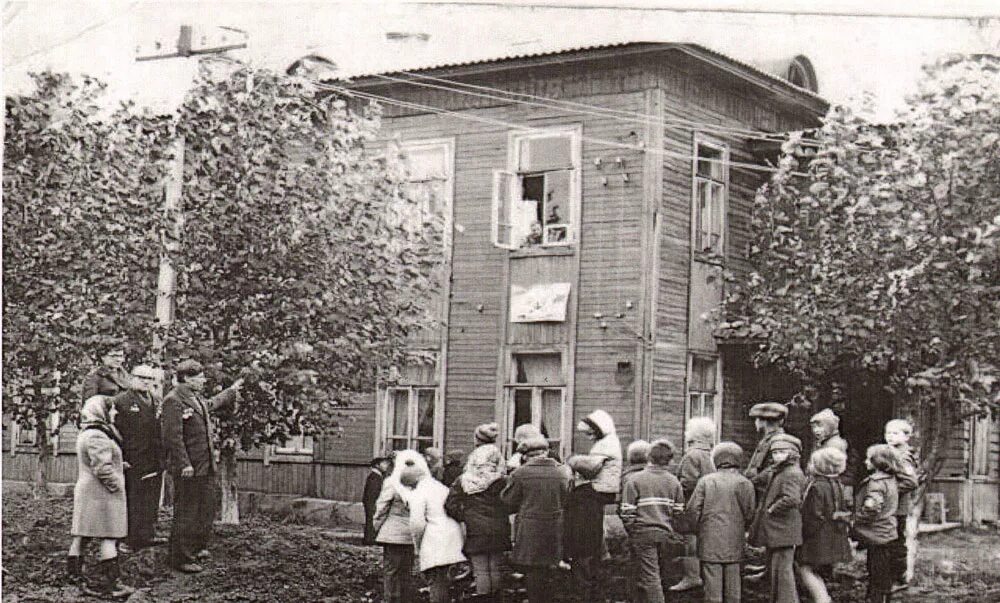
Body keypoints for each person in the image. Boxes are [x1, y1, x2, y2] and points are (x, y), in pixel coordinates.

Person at [162, 359, 243, 573]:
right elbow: (173, 437)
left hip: (205, 466)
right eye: (199, 377)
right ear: (187, 378)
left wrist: (229, 392)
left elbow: (210, 406)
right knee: (187, 511)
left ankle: (196, 548)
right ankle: (180, 557)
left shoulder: (195, 397)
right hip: (189, 468)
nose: (203, 380)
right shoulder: (173, 400)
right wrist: (184, 464)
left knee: (204, 509)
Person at [67, 395, 135, 598]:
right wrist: (117, 484)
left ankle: (74, 575)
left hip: (89, 492)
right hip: (101, 494)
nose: (115, 413)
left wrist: (118, 465)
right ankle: (112, 584)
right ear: (101, 411)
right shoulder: (98, 435)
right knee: (109, 536)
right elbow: (102, 468)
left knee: (83, 534)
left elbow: (95, 462)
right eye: (112, 409)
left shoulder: (87, 432)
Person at [500, 434, 572, 603]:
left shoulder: (520, 473)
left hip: (530, 527)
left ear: (525, 455)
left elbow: (508, 500)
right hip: (554, 525)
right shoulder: (562, 472)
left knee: (532, 569)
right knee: (549, 567)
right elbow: (567, 498)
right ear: (545, 452)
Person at [683, 442, 756, 603]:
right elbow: (750, 512)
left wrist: (697, 529)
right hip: (735, 538)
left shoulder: (706, 481)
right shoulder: (745, 483)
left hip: (709, 537)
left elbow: (693, 510)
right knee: (733, 579)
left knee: (712, 581)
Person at [619, 438, 684, 603]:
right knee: (660, 572)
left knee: (650, 576)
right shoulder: (674, 481)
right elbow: (678, 512)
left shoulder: (635, 480)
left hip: (643, 533)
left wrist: (632, 530)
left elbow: (627, 512)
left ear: (649, 457)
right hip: (665, 533)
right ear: (669, 460)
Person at [110, 365, 165, 553]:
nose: (146, 381)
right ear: (132, 378)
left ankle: (147, 535)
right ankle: (127, 539)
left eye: (150, 379)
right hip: (131, 459)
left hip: (153, 459)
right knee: (132, 499)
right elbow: (114, 433)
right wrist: (120, 457)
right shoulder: (121, 401)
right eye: (142, 377)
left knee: (150, 498)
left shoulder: (157, 401)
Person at [445, 443, 511, 601]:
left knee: (480, 569)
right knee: (495, 567)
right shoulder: (503, 480)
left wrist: (465, 515)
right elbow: (511, 503)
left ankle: (483, 598)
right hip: (499, 527)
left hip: (475, 528)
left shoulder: (464, 480)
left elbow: (450, 504)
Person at [750, 433, 805, 603]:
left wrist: (772, 509)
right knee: (777, 568)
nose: (777, 455)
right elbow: (757, 480)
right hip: (778, 528)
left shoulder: (792, 473)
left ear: (793, 453)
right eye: (774, 452)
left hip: (784, 528)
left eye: (782, 451)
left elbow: (792, 498)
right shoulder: (778, 470)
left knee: (783, 571)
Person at [404, 456, 467, 603]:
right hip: (454, 536)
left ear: (412, 483)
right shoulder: (441, 487)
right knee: (450, 581)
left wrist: (417, 547)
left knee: (436, 582)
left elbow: (417, 523)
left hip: (435, 540)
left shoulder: (419, 492)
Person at [796, 447, 852, 603]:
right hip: (832, 534)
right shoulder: (837, 483)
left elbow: (813, 515)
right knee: (815, 569)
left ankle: (822, 599)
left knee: (804, 568)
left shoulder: (817, 486)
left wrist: (803, 534)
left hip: (818, 536)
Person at [671, 417, 717, 593]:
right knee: (701, 539)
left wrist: (675, 494)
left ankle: (691, 576)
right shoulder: (709, 455)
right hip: (708, 504)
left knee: (689, 540)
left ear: (693, 436)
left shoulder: (692, 455)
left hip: (691, 503)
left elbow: (688, 483)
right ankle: (701, 573)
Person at [373, 450, 424, 603]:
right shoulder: (418, 483)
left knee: (390, 571)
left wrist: (376, 526)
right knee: (406, 570)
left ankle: (391, 599)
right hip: (411, 533)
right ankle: (405, 599)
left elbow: (381, 508)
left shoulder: (391, 482)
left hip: (393, 532)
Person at [853, 444, 901, 603]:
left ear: (878, 462)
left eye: (869, 459)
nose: (865, 461)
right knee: (883, 570)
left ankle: (877, 599)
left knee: (876, 570)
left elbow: (872, 508)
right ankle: (885, 597)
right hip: (887, 530)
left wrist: (857, 519)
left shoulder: (876, 482)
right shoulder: (891, 479)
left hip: (876, 532)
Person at [564, 454, 609, 601]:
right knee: (593, 579)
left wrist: (568, 549)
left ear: (576, 475)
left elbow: (575, 527)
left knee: (582, 584)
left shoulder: (578, 498)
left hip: (581, 548)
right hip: (594, 546)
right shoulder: (593, 496)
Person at [884, 419, 919, 590]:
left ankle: (899, 577)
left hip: (898, 507)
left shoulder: (903, 456)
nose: (890, 437)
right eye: (888, 433)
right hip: (892, 506)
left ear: (907, 437)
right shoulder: (890, 452)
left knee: (896, 541)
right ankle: (889, 575)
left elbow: (911, 482)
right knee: (890, 541)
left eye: (895, 433)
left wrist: (889, 490)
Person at [745, 402, 789, 495]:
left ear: (763, 422)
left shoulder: (778, 441)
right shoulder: (767, 439)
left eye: (757, 419)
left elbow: (772, 469)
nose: (755, 422)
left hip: (766, 492)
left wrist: (751, 482)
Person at [363, 456, 391, 545]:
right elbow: (373, 493)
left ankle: (370, 539)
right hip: (372, 502)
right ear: (377, 465)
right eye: (384, 464)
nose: (386, 466)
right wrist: (375, 505)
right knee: (372, 521)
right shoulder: (374, 477)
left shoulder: (377, 476)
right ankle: (369, 540)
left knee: (372, 521)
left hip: (372, 502)